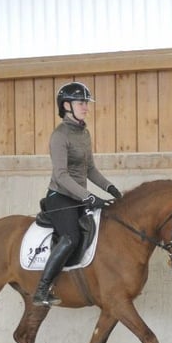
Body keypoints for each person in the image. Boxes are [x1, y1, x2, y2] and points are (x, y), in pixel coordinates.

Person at [32, 81, 123, 307]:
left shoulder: (84, 133)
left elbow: (90, 169)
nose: (86, 107)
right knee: (71, 237)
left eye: (86, 103)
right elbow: (61, 175)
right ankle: (42, 289)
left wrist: (110, 188)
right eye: (81, 103)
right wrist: (89, 197)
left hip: (80, 197)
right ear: (66, 105)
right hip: (60, 198)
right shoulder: (59, 136)